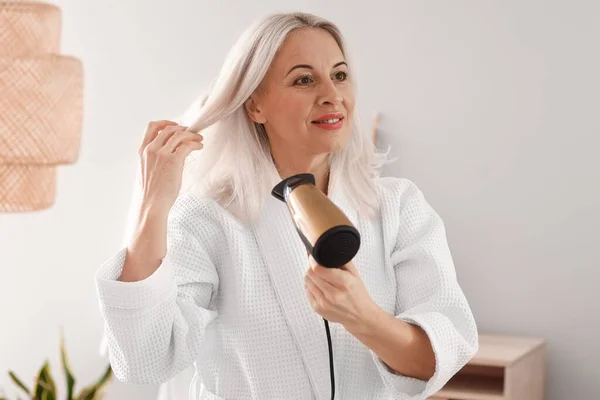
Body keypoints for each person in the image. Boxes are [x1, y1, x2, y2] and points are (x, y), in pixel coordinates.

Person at [94, 11, 479, 400]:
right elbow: (144, 360)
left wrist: (363, 317)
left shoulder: (398, 207)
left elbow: (439, 357)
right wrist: (151, 207)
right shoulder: (208, 217)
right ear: (254, 106)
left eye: (340, 75)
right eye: (304, 79)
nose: (332, 94)